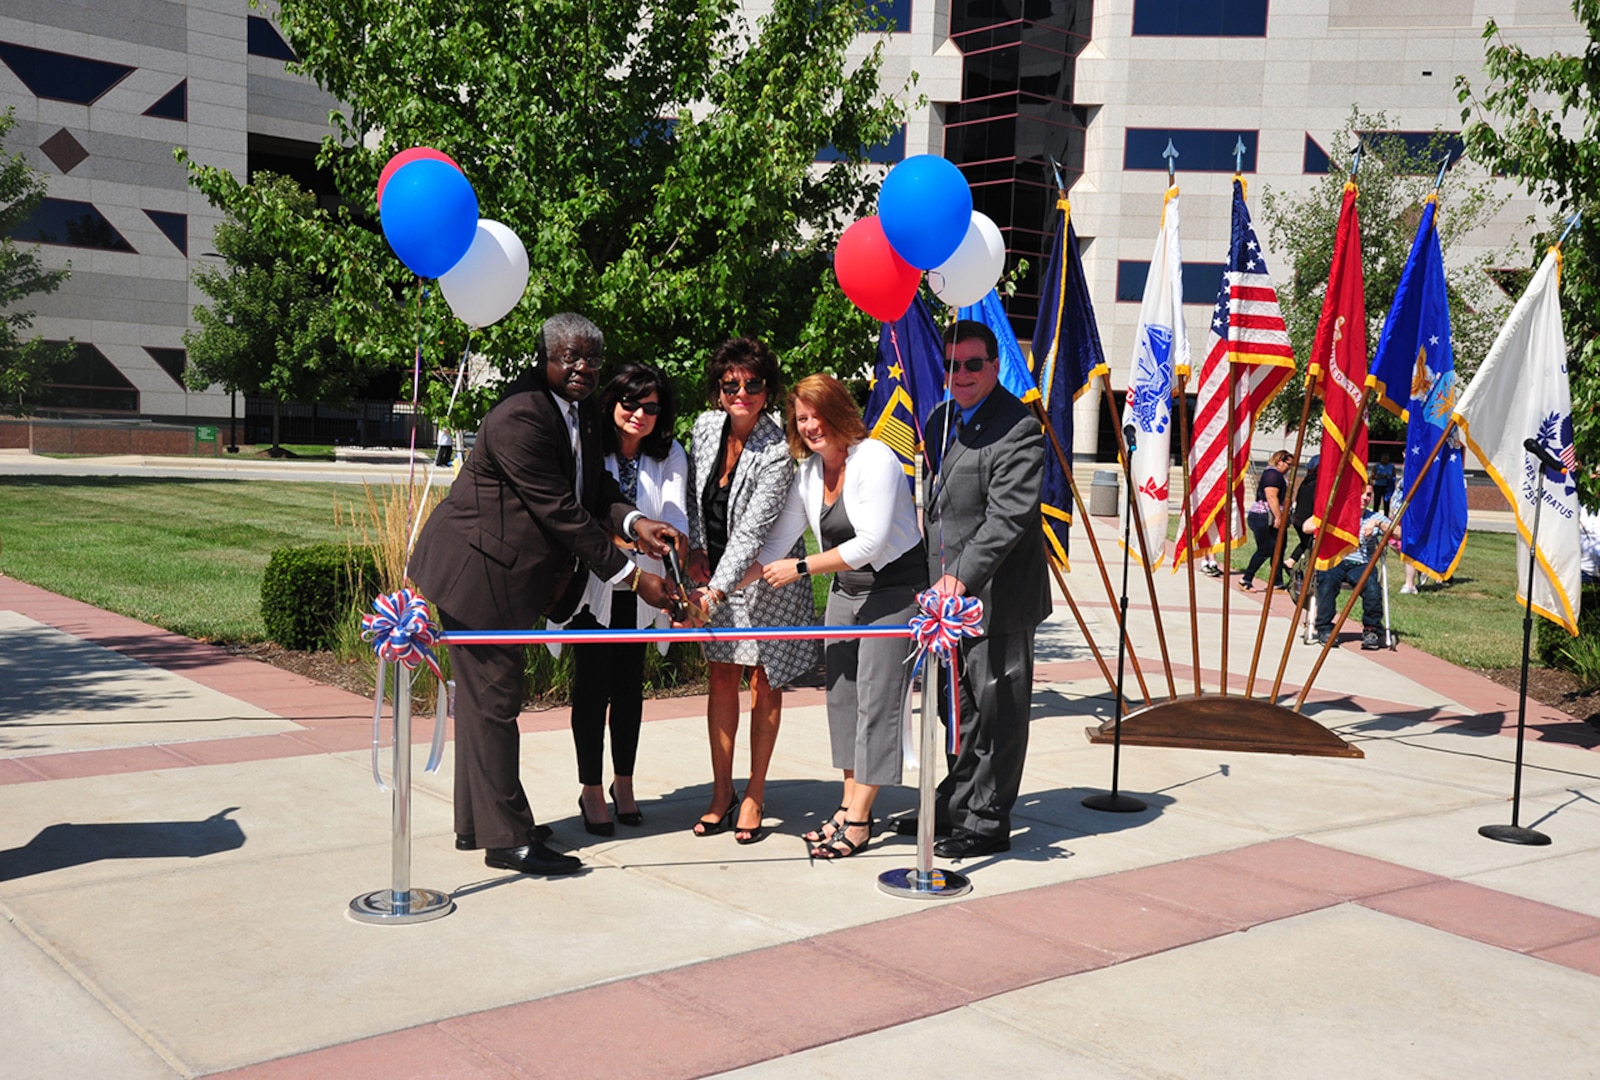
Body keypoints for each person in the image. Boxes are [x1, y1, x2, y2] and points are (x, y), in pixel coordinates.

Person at [410, 313, 682, 877]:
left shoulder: (575, 409)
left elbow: (593, 487)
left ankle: (478, 823)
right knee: (495, 702)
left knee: (487, 706)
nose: (582, 370)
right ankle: (506, 839)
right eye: (570, 359)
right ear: (547, 358)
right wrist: (635, 578)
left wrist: (635, 524)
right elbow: (562, 512)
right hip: (475, 572)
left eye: (591, 361)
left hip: (497, 573)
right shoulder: (521, 416)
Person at [746, 374, 926, 859]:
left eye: (817, 414)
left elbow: (868, 543)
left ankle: (862, 818)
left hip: (893, 590)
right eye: (800, 418)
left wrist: (801, 567)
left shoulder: (876, 459)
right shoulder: (808, 474)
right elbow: (777, 543)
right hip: (847, 592)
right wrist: (725, 584)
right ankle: (848, 805)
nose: (809, 426)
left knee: (878, 699)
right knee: (843, 698)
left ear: (839, 411)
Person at [899, 319, 1049, 859]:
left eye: (972, 364)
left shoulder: (1019, 428)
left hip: (997, 600)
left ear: (993, 366)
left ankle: (987, 820)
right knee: (954, 708)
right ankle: (956, 800)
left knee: (995, 709)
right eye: (952, 364)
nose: (959, 374)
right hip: (947, 601)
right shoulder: (943, 421)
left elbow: (1007, 518)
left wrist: (959, 576)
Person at [685, 338, 817, 844]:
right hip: (713, 577)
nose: (742, 392)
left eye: (753, 384)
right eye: (731, 384)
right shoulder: (703, 428)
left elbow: (751, 534)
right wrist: (696, 548)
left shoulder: (779, 451)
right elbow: (697, 498)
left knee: (765, 684)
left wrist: (714, 592)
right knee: (720, 680)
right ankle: (722, 793)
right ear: (718, 390)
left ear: (767, 391)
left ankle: (756, 793)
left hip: (765, 581)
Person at [556, 364, 688, 836]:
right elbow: (584, 514)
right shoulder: (590, 448)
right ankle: (591, 788)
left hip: (646, 587)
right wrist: (631, 542)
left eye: (651, 407)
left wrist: (668, 550)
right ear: (612, 402)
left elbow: (675, 516)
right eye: (630, 403)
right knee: (592, 687)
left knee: (630, 689)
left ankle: (623, 784)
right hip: (594, 585)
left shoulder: (670, 453)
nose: (639, 414)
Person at [1313, 482, 1389, 649]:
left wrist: (1377, 524)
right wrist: (1327, 518)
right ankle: (1324, 628)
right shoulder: (1337, 512)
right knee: (1327, 581)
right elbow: (1307, 527)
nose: (1364, 498)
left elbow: (1398, 533)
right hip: (1336, 560)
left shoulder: (1374, 517)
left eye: (1368, 495)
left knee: (1372, 587)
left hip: (1361, 564)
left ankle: (1372, 630)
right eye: (1361, 494)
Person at [1240, 450, 1293, 592]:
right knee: (1266, 549)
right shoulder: (1272, 475)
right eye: (1288, 464)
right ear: (1279, 461)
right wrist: (1278, 516)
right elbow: (1271, 496)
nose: (1290, 468)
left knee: (1279, 548)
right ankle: (1246, 579)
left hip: (1270, 516)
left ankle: (1277, 582)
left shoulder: (1278, 475)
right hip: (1262, 516)